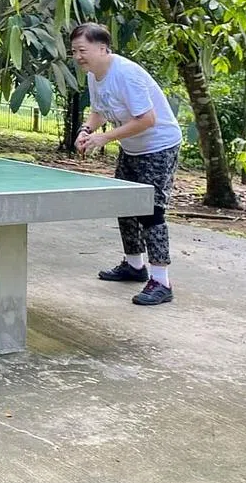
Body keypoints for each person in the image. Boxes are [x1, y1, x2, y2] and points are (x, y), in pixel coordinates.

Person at [71, 23, 182, 306]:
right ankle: (134, 266)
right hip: (132, 148)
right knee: (125, 204)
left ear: (102, 48)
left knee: (152, 211)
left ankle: (161, 282)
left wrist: (105, 138)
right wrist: (86, 130)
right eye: (74, 51)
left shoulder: (126, 74)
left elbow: (148, 119)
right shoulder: (94, 75)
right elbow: (99, 111)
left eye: (82, 50)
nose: (78, 56)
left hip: (159, 146)